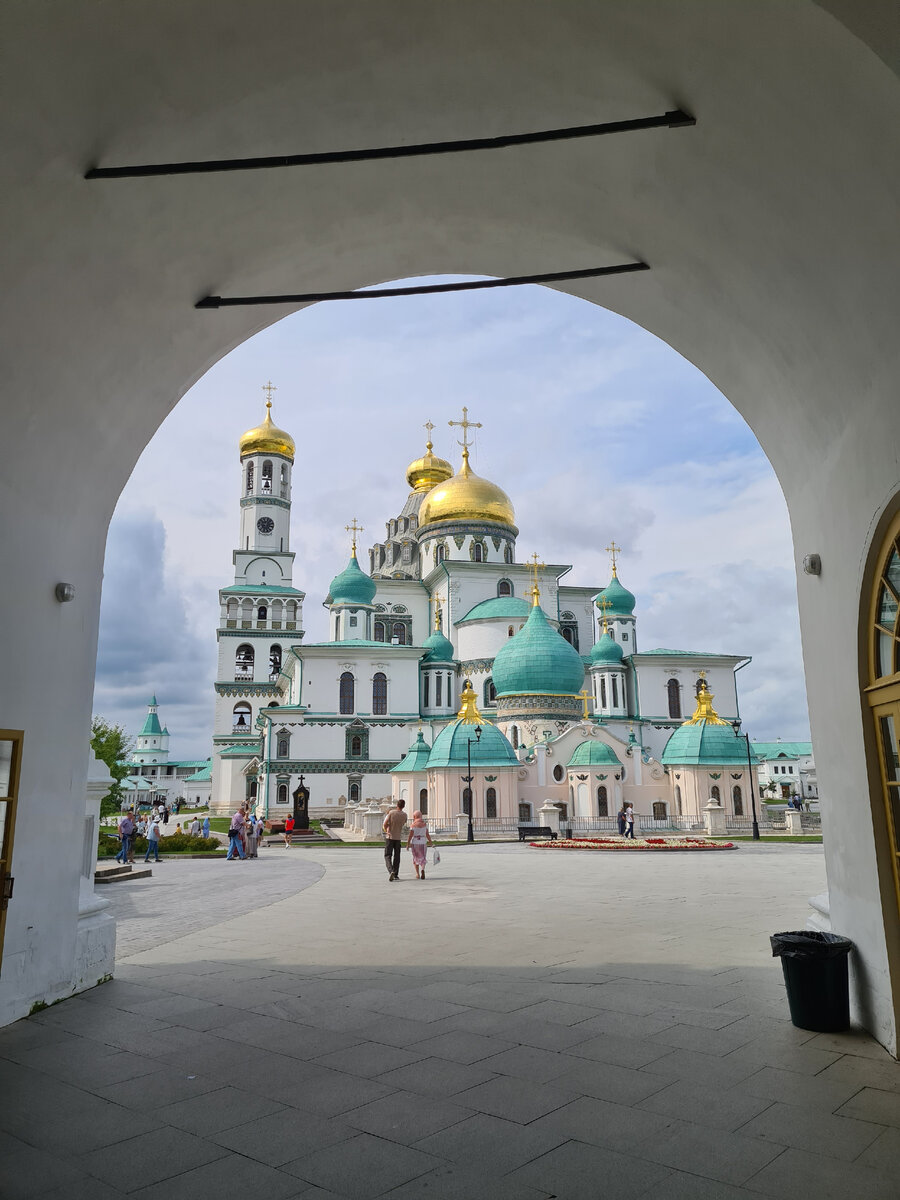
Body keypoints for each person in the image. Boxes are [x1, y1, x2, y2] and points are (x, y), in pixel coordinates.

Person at [383, 799, 407, 881]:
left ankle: (391, 871)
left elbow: (385, 824)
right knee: (397, 856)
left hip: (390, 837)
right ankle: (396, 874)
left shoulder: (392, 813)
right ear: (403, 806)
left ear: (397, 805)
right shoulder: (404, 815)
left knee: (387, 855)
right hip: (398, 837)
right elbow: (403, 823)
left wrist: (387, 830)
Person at [406, 809, 433, 880]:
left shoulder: (413, 825)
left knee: (416, 858)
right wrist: (431, 843)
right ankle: (423, 869)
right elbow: (427, 835)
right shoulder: (424, 824)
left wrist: (408, 844)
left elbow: (410, 835)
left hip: (415, 843)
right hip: (423, 842)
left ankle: (417, 874)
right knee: (423, 857)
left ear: (414, 816)